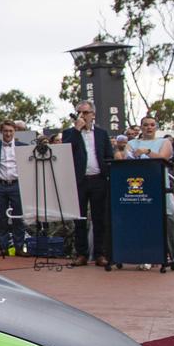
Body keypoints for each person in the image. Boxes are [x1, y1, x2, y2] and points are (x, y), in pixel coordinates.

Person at [61, 100, 113, 266]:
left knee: (99, 218)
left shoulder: (101, 133)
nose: (82, 116)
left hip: (98, 179)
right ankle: (81, 253)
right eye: (79, 113)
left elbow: (108, 155)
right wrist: (77, 130)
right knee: (79, 218)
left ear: (93, 114)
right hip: (80, 180)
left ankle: (100, 253)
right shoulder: (70, 133)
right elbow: (67, 149)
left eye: (85, 113)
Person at [0, 121, 28, 256]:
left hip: (16, 185)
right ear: (1, 132)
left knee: (18, 217)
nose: (8, 133)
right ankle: (3, 247)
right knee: (1, 218)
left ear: (14, 131)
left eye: (10, 131)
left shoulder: (23, 147)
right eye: (5, 131)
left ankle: (19, 247)